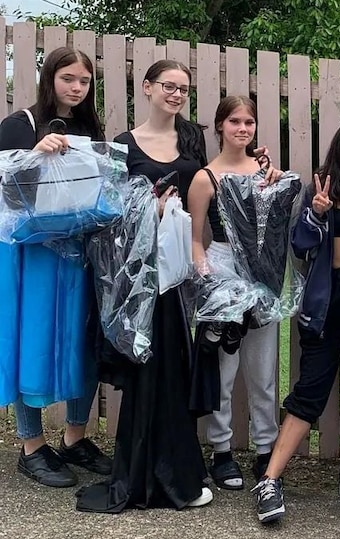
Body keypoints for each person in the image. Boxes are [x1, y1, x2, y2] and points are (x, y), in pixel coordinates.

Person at [76, 59, 213, 512]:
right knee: (146, 371)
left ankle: (177, 472)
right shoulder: (124, 144)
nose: (176, 95)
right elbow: (109, 215)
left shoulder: (192, 139)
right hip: (138, 277)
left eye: (184, 89)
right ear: (148, 88)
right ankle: (143, 479)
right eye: (169, 86)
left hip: (176, 275)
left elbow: (209, 190)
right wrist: (148, 213)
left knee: (174, 368)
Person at [251, 122, 340, 523]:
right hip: (329, 298)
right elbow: (300, 245)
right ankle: (270, 479)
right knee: (310, 389)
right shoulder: (323, 190)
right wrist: (316, 212)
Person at [0, 47, 113, 487]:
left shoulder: (89, 129)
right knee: (33, 340)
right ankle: (31, 446)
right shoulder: (20, 125)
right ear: (50, 79)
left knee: (82, 340)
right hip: (33, 255)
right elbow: (7, 194)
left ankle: (74, 438)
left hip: (79, 254)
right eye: (69, 78)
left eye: (84, 81)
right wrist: (34, 154)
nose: (77, 88)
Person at [187, 95, 282, 490]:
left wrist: (272, 183)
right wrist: (208, 278)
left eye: (249, 122)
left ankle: (266, 450)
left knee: (263, 372)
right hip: (223, 270)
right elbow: (195, 240)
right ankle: (221, 450)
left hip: (260, 276)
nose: (242, 129)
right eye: (235, 122)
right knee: (223, 370)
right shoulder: (204, 177)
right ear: (220, 126)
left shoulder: (266, 173)